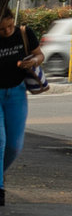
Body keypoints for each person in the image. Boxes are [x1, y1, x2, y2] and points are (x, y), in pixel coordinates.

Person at [0, 11, 42, 204]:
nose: (7, 31)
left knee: (14, 146)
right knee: (0, 141)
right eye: (2, 29)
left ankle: (0, 173)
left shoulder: (24, 33)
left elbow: (39, 55)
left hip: (16, 92)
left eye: (10, 26)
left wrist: (32, 61)